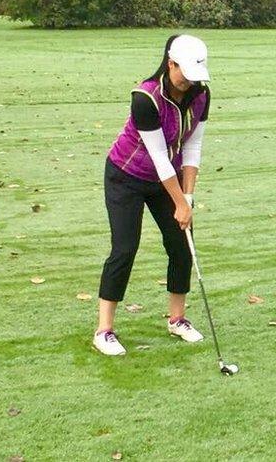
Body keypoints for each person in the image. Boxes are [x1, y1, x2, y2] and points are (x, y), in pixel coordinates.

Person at [93, 34, 212, 356]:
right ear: (170, 63)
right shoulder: (145, 98)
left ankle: (177, 319)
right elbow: (159, 156)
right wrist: (179, 201)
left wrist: (186, 199)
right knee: (125, 248)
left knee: (181, 244)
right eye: (183, 73)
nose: (189, 81)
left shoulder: (201, 95)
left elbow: (193, 147)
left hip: (166, 180)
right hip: (126, 177)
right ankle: (104, 330)